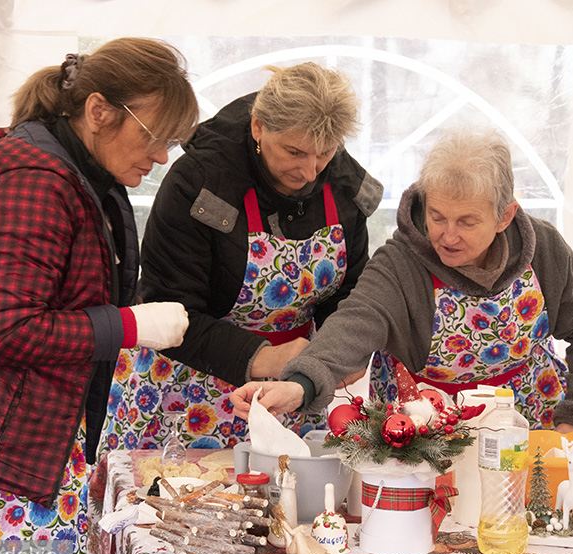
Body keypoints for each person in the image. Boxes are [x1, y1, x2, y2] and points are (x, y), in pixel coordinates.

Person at [0, 37, 198, 554]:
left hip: (17, 438)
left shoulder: (83, 177)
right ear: (99, 110)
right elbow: (10, 329)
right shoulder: (37, 184)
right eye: (154, 137)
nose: (160, 158)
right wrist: (131, 325)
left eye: (171, 142)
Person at [231, 128, 573, 434]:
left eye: (466, 222)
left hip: (532, 430)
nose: (448, 236)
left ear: (504, 217)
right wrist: (299, 385)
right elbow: (352, 326)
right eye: (437, 216)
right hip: (421, 436)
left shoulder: (544, 249)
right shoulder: (401, 263)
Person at [97, 62, 383, 456]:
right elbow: (171, 307)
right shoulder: (200, 183)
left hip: (285, 393)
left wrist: (340, 350)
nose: (309, 170)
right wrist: (264, 356)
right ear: (258, 127)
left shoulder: (342, 184)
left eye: (324, 154)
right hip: (183, 395)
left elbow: (349, 292)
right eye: (294, 151)